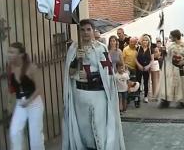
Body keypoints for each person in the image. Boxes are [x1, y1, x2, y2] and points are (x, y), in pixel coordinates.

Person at [62, 19, 125, 150]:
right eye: (82, 30)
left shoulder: (100, 49)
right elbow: (70, 73)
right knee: (84, 130)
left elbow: (108, 75)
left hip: (97, 95)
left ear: (93, 31)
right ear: (79, 32)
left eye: (88, 29)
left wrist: (91, 76)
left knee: (98, 127)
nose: (85, 33)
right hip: (79, 95)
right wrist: (75, 60)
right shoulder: (73, 49)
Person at [7, 42, 44, 150]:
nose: (9, 54)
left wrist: (29, 101)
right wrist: (9, 104)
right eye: (8, 52)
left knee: (35, 137)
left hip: (34, 102)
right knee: (14, 132)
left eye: (12, 52)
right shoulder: (10, 68)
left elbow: (39, 88)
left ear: (21, 55)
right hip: (20, 103)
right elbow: (11, 89)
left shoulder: (31, 68)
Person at [158, 29, 184, 108]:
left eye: (171, 36)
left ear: (175, 36)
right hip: (172, 68)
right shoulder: (171, 45)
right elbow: (168, 56)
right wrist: (164, 52)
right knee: (170, 84)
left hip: (181, 68)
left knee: (181, 85)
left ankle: (182, 101)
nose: (170, 37)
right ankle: (166, 100)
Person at [135, 34, 154, 103]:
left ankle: (146, 96)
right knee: (138, 82)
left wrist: (148, 66)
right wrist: (139, 65)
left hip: (146, 68)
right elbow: (135, 58)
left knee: (146, 82)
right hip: (139, 68)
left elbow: (152, 60)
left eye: (146, 40)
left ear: (148, 42)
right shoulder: (138, 48)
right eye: (143, 40)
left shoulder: (151, 49)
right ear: (141, 41)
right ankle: (137, 96)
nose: (145, 41)